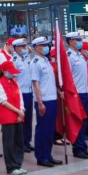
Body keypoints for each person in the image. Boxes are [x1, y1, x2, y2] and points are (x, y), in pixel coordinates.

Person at [65, 32, 88, 158]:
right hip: (75, 94)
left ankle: (83, 146)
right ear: (71, 41)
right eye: (78, 39)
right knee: (77, 121)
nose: (80, 42)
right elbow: (68, 77)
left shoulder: (80, 55)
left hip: (84, 92)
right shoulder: (69, 56)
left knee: (84, 121)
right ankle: (77, 148)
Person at [30, 37, 61, 167]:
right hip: (44, 100)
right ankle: (41, 156)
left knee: (50, 130)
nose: (46, 47)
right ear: (36, 47)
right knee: (42, 129)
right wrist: (40, 102)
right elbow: (35, 83)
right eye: (43, 45)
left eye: (46, 45)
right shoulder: (35, 62)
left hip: (52, 98)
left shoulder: (46, 60)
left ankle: (48, 154)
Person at [0, 62, 27, 175]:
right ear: (3, 71)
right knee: (9, 142)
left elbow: (20, 97)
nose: (13, 74)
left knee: (19, 141)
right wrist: (18, 111)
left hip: (18, 114)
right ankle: (11, 166)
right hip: (7, 116)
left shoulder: (14, 82)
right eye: (10, 72)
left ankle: (17, 163)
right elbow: (3, 101)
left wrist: (21, 110)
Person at [11, 39, 35, 153]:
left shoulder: (27, 58)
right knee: (21, 119)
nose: (25, 48)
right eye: (22, 47)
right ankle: (20, 142)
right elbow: (13, 78)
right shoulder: (14, 60)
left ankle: (27, 141)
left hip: (29, 91)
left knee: (29, 118)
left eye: (25, 46)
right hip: (20, 93)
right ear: (16, 48)